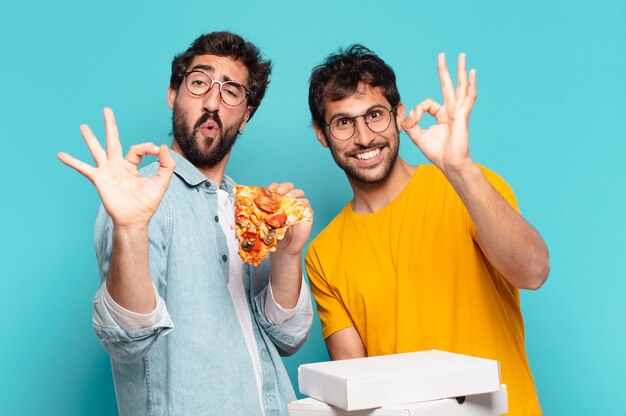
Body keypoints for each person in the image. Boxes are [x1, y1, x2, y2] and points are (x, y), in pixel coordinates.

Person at [58, 31, 313, 416]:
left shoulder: (250, 213)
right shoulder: (141, 199)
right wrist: (129, 228)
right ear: (173, 94)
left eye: (231, 92)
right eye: (199, 83)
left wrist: (289, 255)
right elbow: (128, 339)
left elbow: (286, 337)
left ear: (245, 116)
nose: (212, 101)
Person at [304, 45, 549, 415]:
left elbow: (533, 272)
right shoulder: (322, 254)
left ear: (399, 115)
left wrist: (461, 170)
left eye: (375, 115)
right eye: (343, 122)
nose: (364, 137)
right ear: (321, 135)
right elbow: (354, 389)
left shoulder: (468, 188)